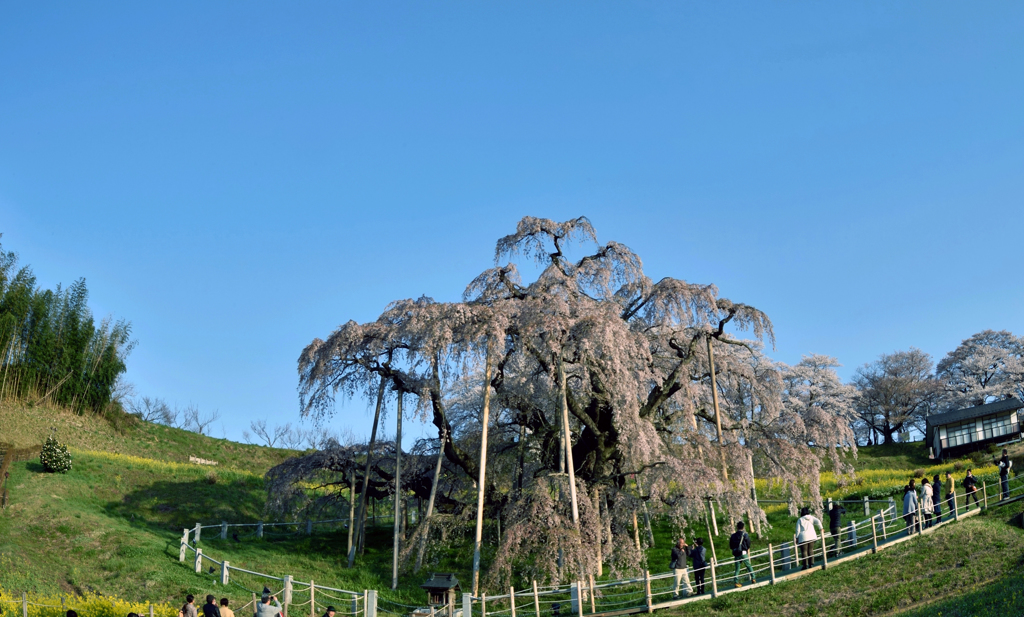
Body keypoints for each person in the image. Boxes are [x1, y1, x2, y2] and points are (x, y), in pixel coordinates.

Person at [728, 521, 755, 587]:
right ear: (743, 527)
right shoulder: (745, 535)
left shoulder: (733, 536)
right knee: (748, 566)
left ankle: (736, 582)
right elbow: (748, 543)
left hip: (736, 554)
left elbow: (731, 545)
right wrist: (746, 548)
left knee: (737, 569)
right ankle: (753, 578)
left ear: (737, 527)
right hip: (743, 552)